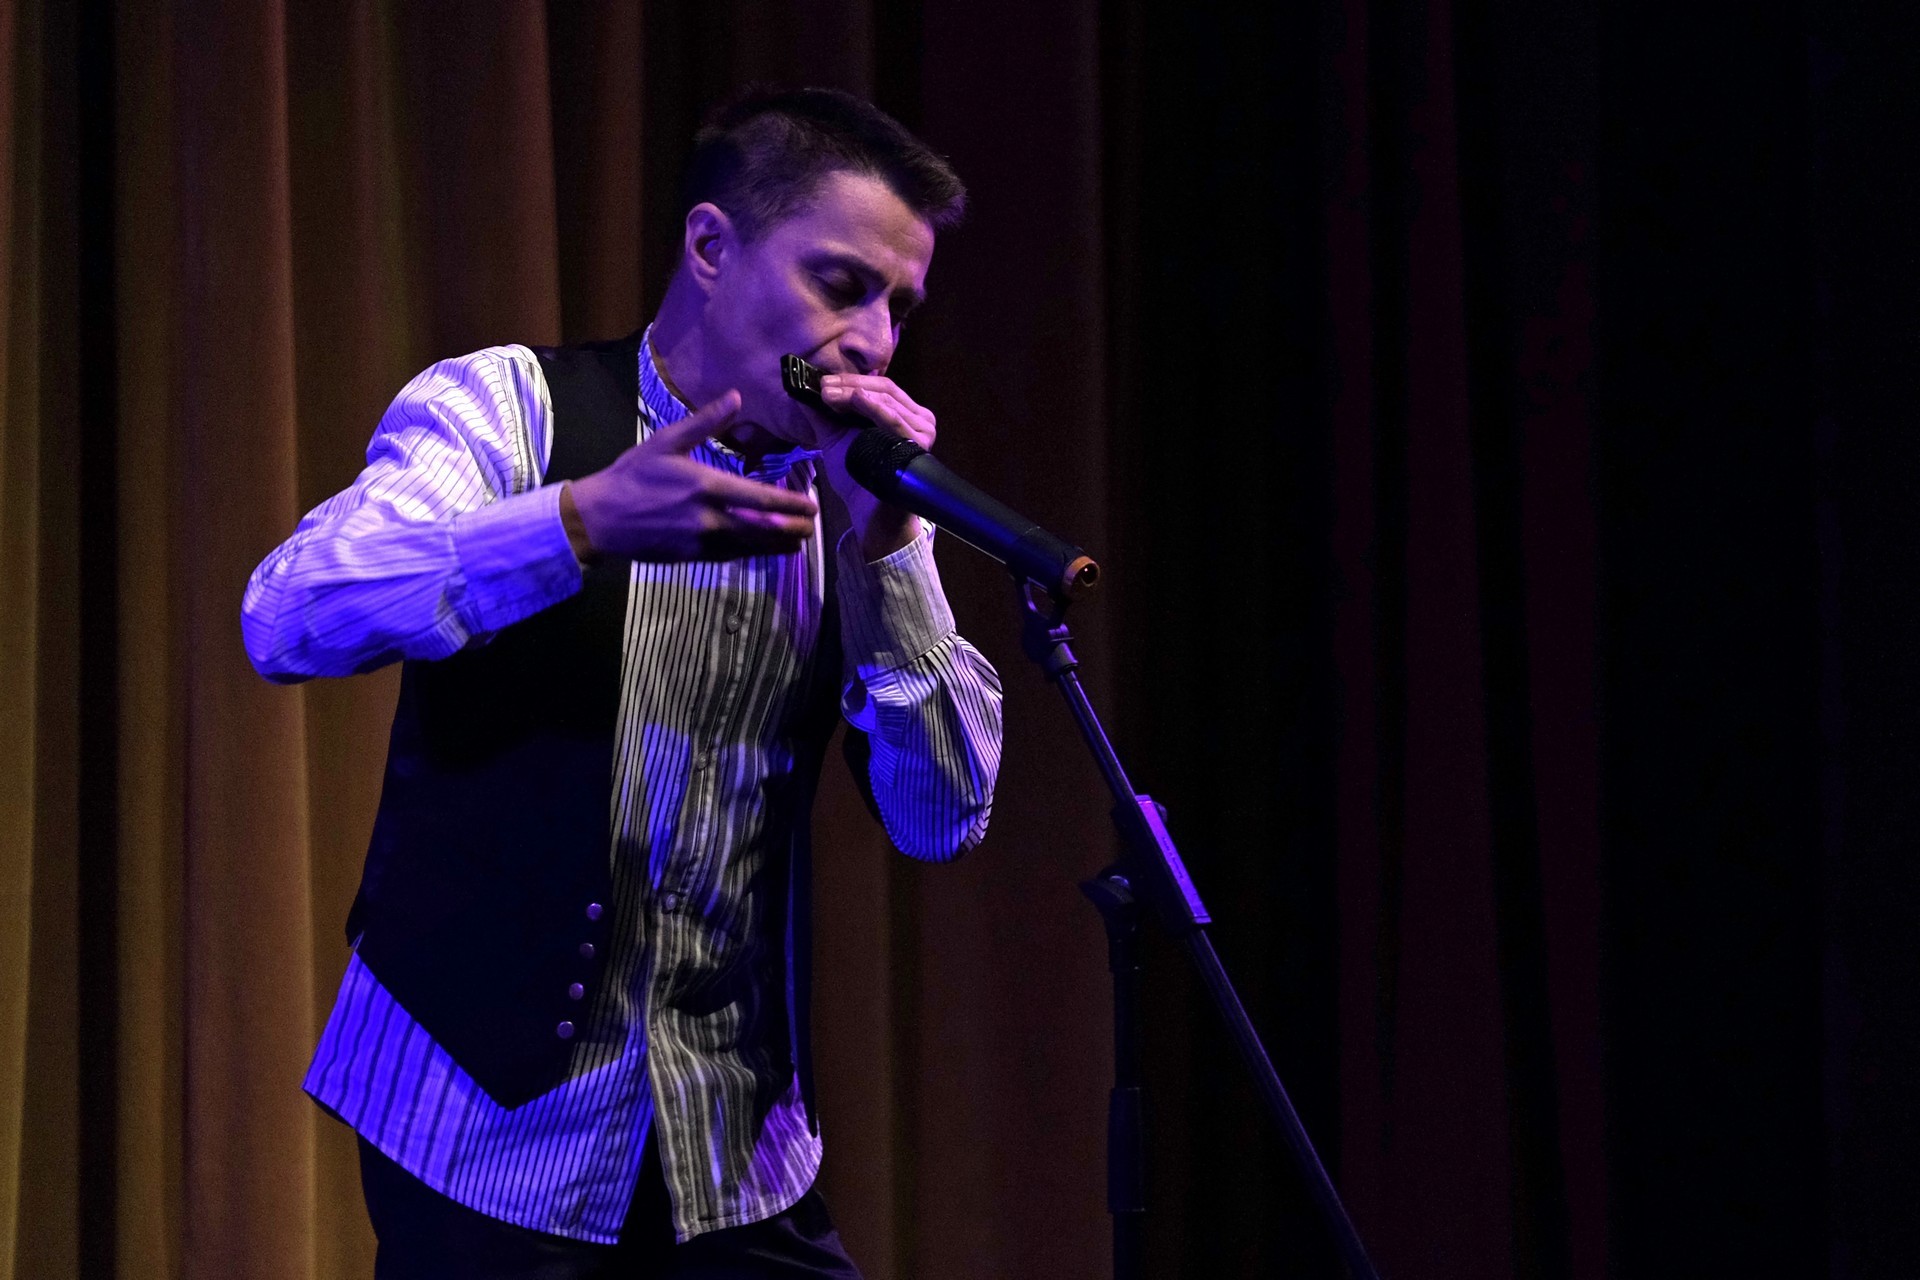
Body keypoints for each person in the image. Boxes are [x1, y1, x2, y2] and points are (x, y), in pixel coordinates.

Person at [242, 87, 1003, 1278]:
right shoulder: (507, 409)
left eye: (898, 307)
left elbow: (944, 814)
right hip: (485, 1127)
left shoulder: (850, 509)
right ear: (711, 246)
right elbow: (289, 613)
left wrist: (890, 543)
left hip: (733, 1145)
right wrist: (577, 521)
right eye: (841, 284)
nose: (873, 342)